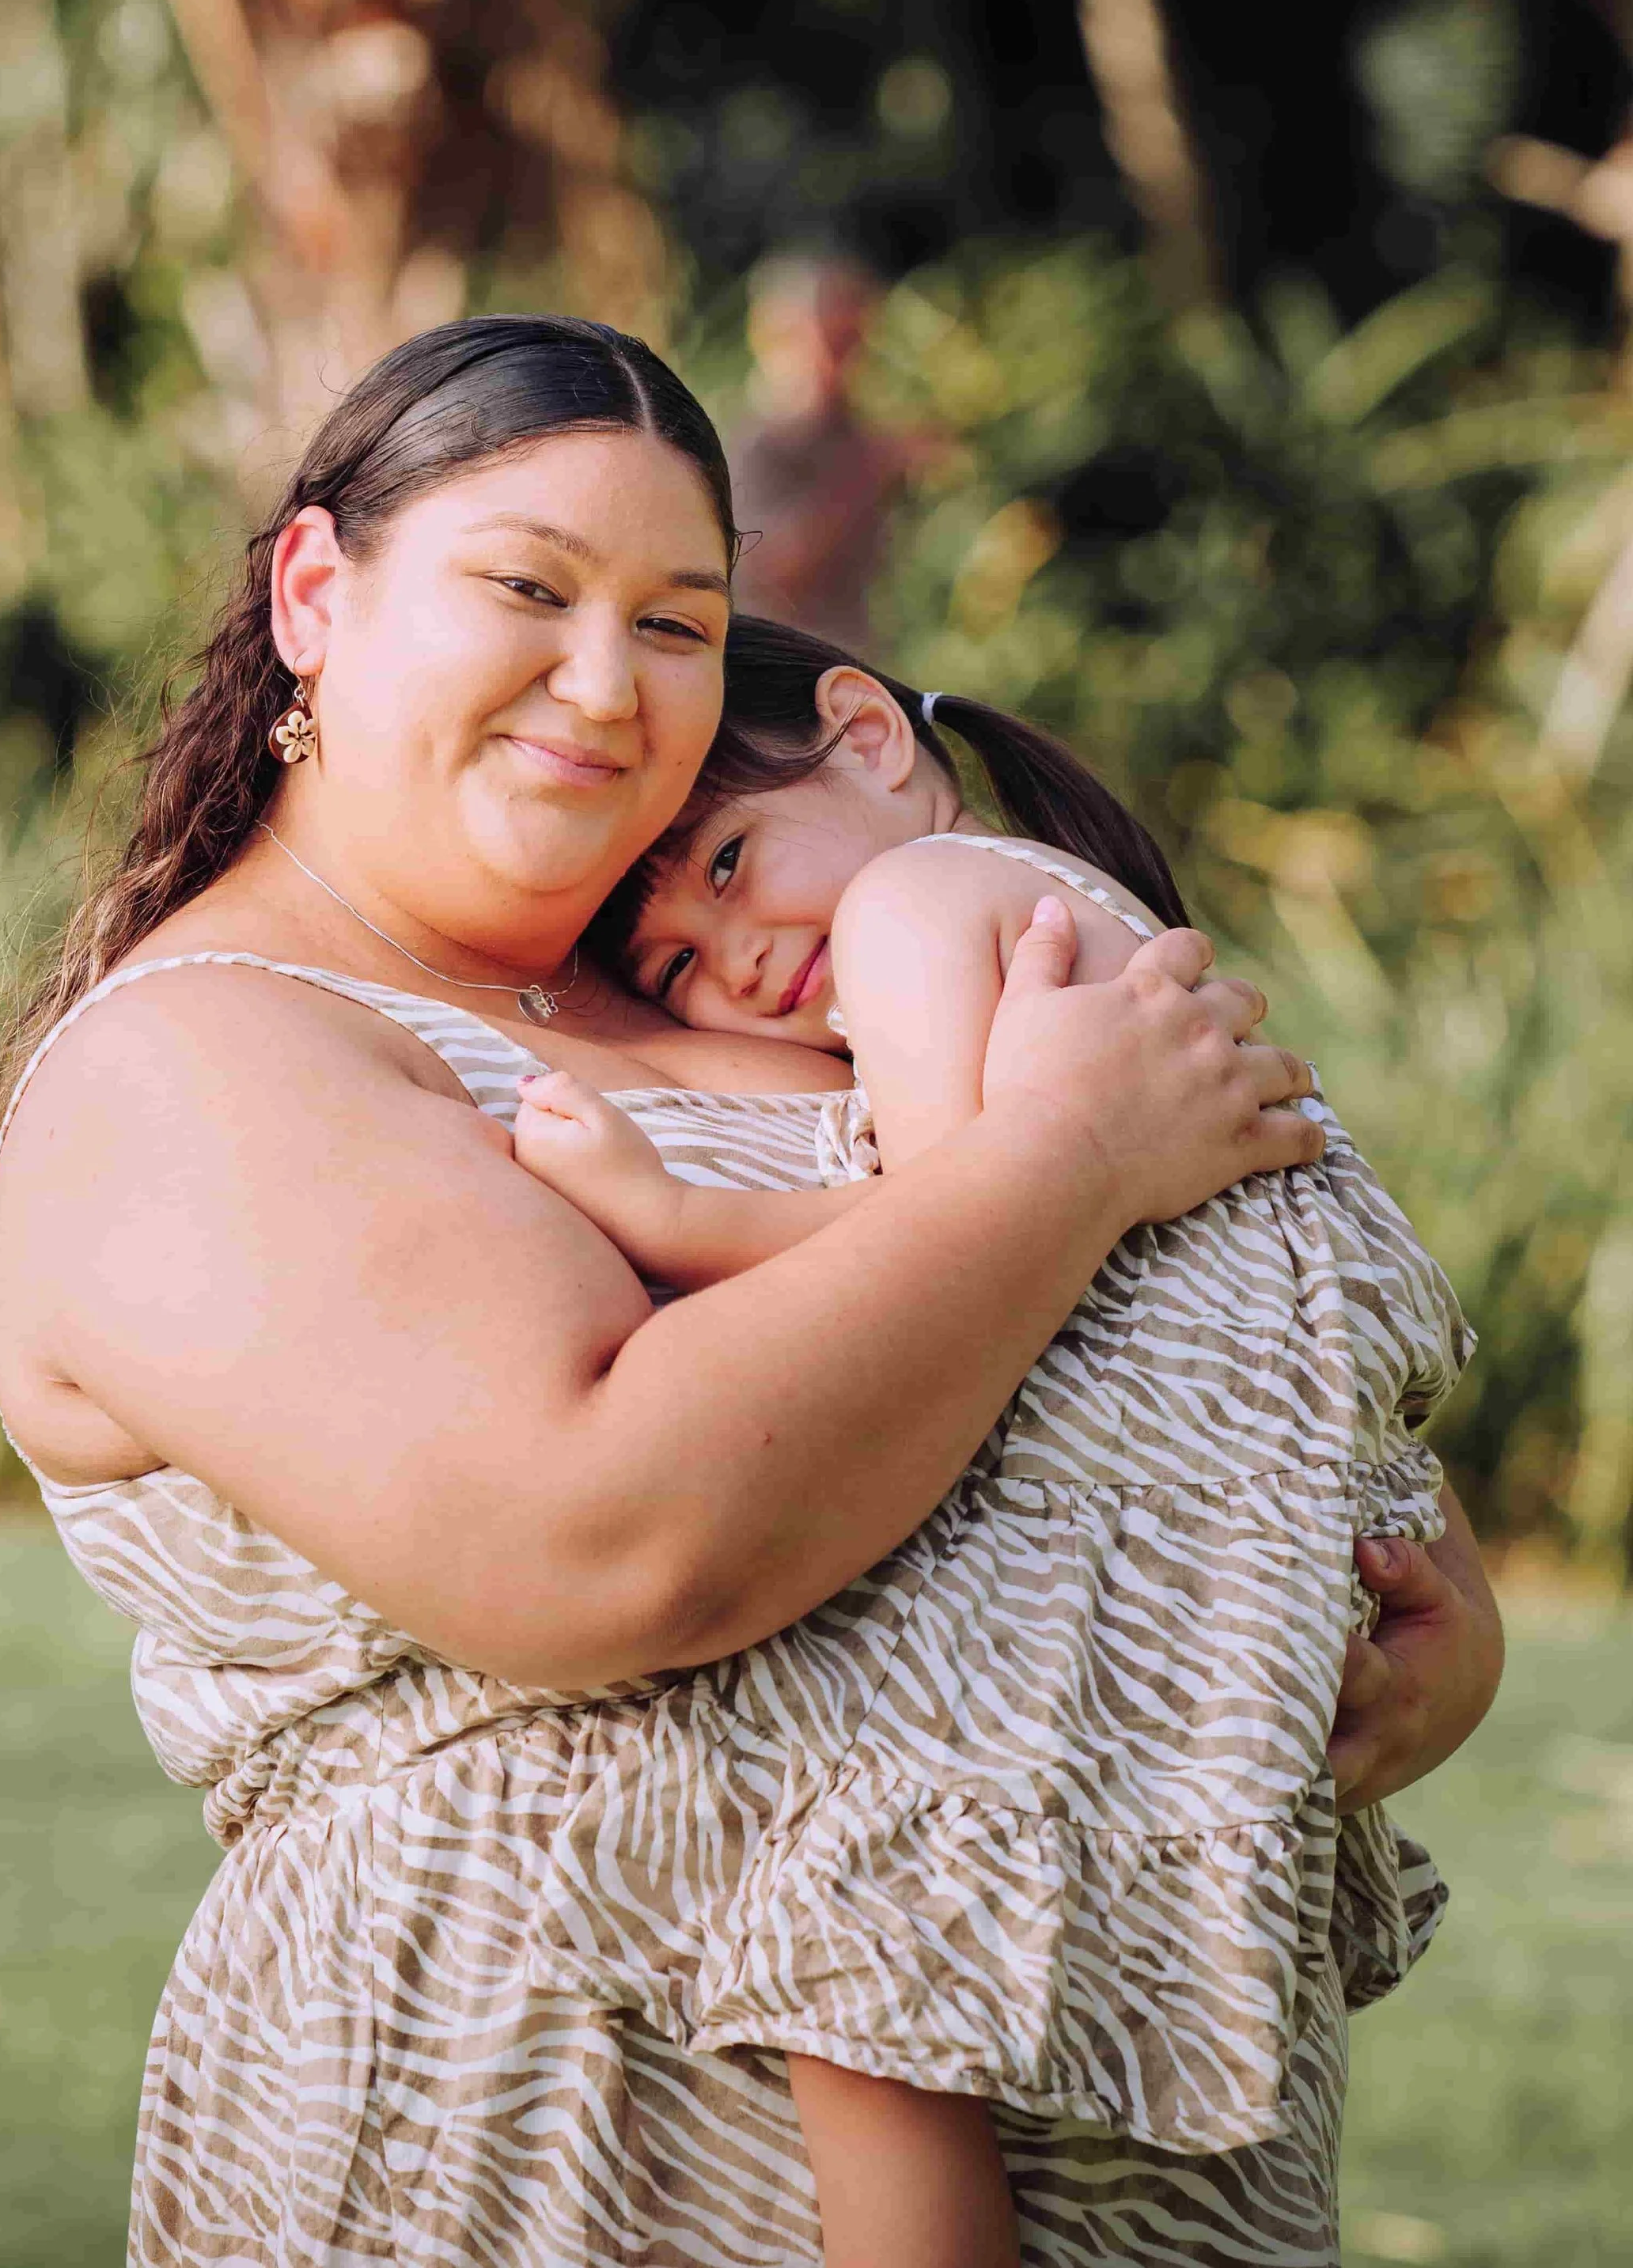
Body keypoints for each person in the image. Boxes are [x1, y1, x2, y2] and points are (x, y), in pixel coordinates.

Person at [0, 314, 1503, 2267]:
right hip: (558, 2131)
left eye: (680, 623)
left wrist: (1424, 1610)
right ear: (314, 594)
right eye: (524, 587)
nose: (605, 685)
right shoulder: (200, 1062)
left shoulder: (784, 956)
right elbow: (606, 1540)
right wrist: (1069, 1153)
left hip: (1121, 2110)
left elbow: (1196, 1337)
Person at [513, 616, 1473, 2268]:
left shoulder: (912, 903)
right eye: (670, 960)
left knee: (861, 1991)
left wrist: (660, 1207)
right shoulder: (1059, 904)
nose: (728, 955)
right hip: (1244, 1498)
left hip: (1103, 1505)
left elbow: (946, 1236)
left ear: (864, 735)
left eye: (729, 859)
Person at [728, 255, 918, 658]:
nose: (849, 362)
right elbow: (768, 566)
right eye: (835, 343)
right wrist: (865, 477)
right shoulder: (754, 444)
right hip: (780, 670)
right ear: (776, 337)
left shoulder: (852, 434)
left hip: (855, 661)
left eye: (858, 343)